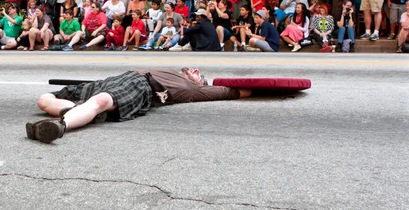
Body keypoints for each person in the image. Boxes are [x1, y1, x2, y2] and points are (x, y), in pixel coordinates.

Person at [26, 67, 251, 143]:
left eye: (201, 76)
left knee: (102, 101)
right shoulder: (170, 69)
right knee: (44, 99)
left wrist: (272, 88)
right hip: (115, 79)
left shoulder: (193, 90)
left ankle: (59, 126)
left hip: (141, 86)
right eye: (194, 69)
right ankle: (76, 113)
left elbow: (231, 91)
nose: (196, 71)